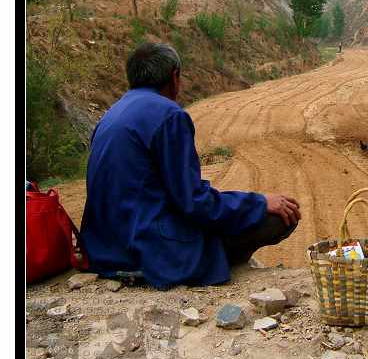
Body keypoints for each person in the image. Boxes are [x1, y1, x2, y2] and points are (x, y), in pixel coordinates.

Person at [80, 43, 301, 289]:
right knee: (279, 218)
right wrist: (259, 203)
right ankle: (212, 263)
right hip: (149, 250)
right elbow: (194, 202)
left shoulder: (109, 116)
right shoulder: (169, 115)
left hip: (104, 250)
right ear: (175, 77)